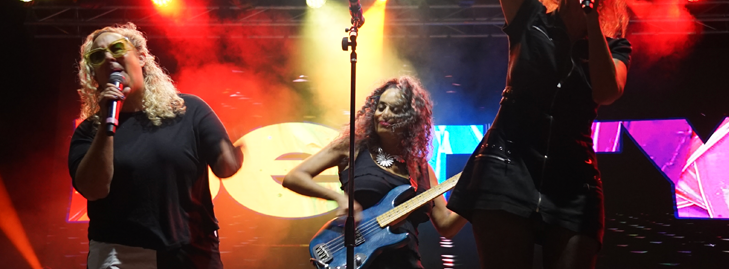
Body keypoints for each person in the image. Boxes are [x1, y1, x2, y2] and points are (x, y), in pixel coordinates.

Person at [446, 0, 632, 269]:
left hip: (574, 183)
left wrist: (592, 19)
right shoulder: (527, 18)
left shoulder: (615, 47)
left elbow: (607, 91)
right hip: (506, 169)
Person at [68, 23, 243, 269]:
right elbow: (94, 188)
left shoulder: (189, 111)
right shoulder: (89, 131)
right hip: (121, 255)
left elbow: (224, 164)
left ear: (141, 58)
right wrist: (108, 119)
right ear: (94, 75)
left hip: (192, 252)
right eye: (98, 56)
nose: (108, 57)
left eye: (117, 48)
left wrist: (229, 159)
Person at [282, 76, 467, 269]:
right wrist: (339, 198)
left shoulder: (422, 169)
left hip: (407, 262)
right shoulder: (353, 148)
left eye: (394, 110)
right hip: (356, 259)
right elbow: (294, 177)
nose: (384, 114)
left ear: (411, 119)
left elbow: (446, 226)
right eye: (381, 107)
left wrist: (475, 191)